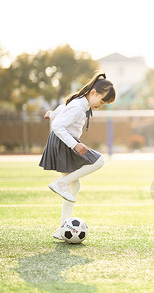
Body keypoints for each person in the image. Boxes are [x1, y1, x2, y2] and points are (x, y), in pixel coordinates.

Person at [39, 72, 115, 240]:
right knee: (99, 160)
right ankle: (60, 183)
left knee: (75, 187)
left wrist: (52, 113)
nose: (101, 105)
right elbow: (58, 126)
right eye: (102, 101)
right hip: (64, 142)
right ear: (93, 93)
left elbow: (62, 112)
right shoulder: (78, 106)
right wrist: (75, 144)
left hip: (63, 142)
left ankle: (61, 230)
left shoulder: (80, 102)